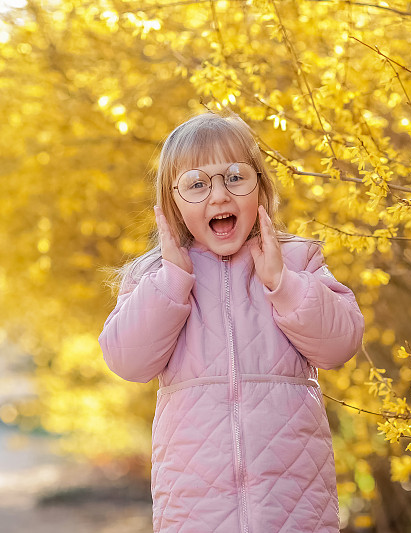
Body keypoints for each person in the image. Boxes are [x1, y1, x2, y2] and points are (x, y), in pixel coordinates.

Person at [98, 112, 365, 533]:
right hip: (196, 509)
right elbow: (127, 361)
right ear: (172, 203)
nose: (219, 196)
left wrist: (282, 283)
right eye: (197, 184)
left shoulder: (296, 261)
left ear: (260, 186)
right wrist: (172, 281)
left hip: (292, 504)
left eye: (235, 177)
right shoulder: (155, 277)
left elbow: (340, 344)